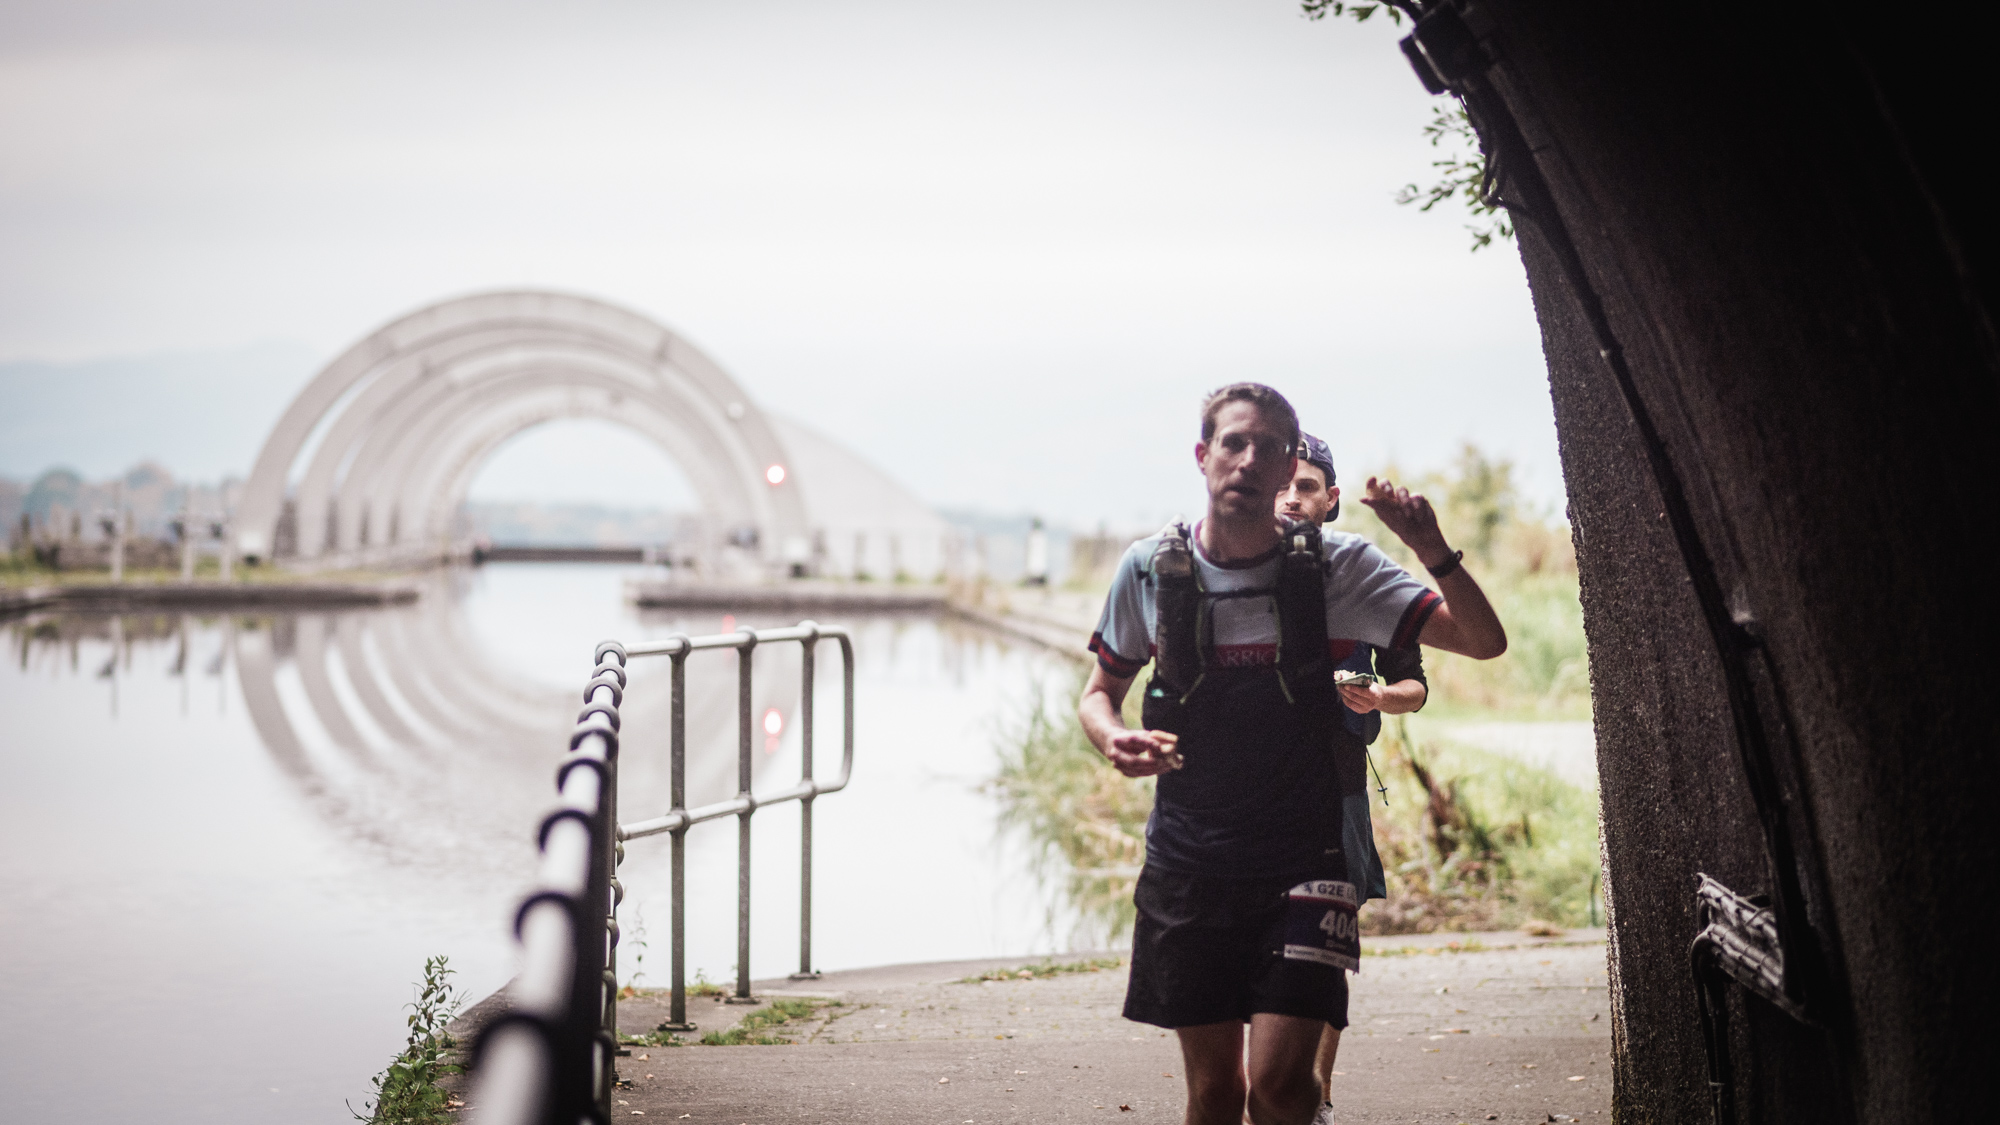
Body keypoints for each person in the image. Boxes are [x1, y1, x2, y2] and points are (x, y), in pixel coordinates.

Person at [1078, 383, 1505, 1125]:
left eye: (1267, 447)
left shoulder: (1339, 568)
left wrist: (1433, 548)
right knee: (1214, 1093)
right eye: (1233, 442)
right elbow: (1098, 691)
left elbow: (1482, 640)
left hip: (1307, 862)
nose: (1247, 459)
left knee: (1279, 1086)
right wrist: (1115, 738)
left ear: (1289, 472)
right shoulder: (1151, 568)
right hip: (1190, 862)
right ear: (1202, 455)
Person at [1279, 433, 1428, 1123]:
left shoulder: (1363, 577)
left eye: (1305, 485)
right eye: (1282, 484)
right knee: (1259, 949)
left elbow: (1415, 685)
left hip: (1337, 789)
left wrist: (1376, 697)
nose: (1290, 496)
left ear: (1330, 498)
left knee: (1327, 946)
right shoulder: (1235, 574)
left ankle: (1318, 1100)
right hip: (1251, 796)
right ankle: (1272, 1096)